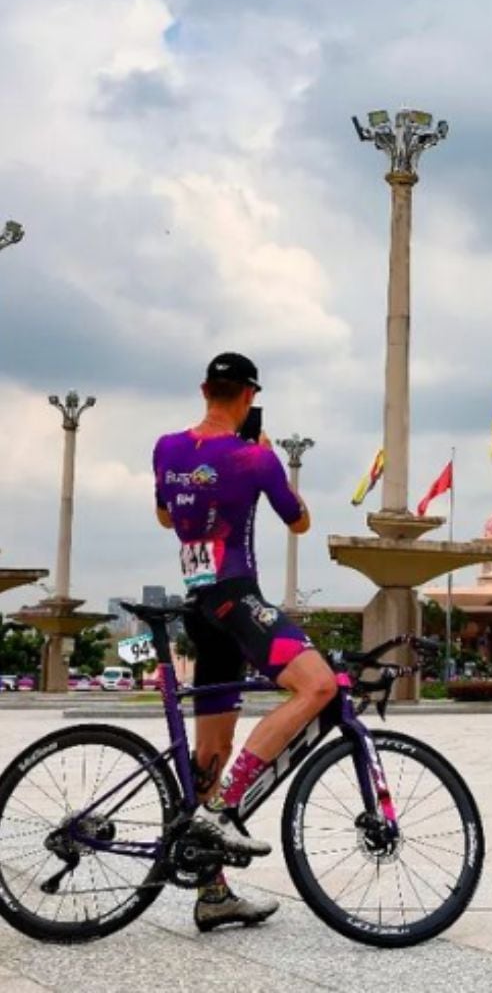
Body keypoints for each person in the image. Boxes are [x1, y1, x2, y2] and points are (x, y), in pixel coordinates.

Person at [152, 352, 333, 932]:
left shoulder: (166, 448)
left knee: (209, 753)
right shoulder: (255, 457)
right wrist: (268, 461)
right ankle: (227, 809)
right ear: (249, 397)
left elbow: (164, 516)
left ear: (205, 388)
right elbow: (299, 520)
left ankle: (212, 892)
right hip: (237, 598)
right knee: (319, 685)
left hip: (199, 607)